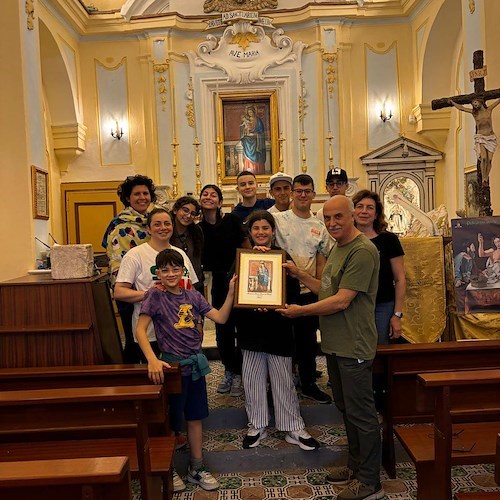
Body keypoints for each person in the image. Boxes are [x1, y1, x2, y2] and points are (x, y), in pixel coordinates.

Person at [277, 195, 383, 500]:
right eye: (328, 219)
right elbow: (326, 289)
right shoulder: (338, 247)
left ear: (353, 216)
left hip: (355, 346)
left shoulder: (363, 250)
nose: (333, 223)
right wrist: (300, 275)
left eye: (338, 217)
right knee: (346, 409)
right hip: (336, 345)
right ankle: (356, 466)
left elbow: (341, 300)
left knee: (362, 414)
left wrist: (300, 312)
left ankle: (370, 481)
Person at [136, 248, 236, 492]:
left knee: (195, 417)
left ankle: (196, 466)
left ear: (183, 271)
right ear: (157, 273)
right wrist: (152, 359)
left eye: (175, 269)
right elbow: (140, 330)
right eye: (165, 270)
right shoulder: (154, 296)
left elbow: (221, 318)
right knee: (171, 422)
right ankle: (168, 467)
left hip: (195, 367)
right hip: (171, 368)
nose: (170, 274)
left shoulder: (193, 296)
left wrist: (232, 292)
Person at [235, 211, 320, 451]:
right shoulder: (241, 258)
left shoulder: (283, 257)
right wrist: (253, 302)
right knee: (252, 379)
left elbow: (292, 292)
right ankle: (257, 424)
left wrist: (276, 304)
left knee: (283, 379)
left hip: (278, 327)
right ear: (250, 232)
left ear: (273, 231)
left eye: (265, 228)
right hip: (250, 327)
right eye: (256, 228)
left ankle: (293, 426)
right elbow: (236, 292)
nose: (261, 232)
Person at [273, 174, 334, 404]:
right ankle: (281, 387)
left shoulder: (319, 226)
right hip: (281, 291)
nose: (302, 195)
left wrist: (319, 287)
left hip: (307, 291)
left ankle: (308, 384)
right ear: (292, 193)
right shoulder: (278, 219)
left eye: (307, 191)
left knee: (307, 342)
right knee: (282, 342)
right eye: (298, 191)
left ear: (313, 194)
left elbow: (324, 258)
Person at [114, 208, 199, 361]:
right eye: (157, 224)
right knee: (155, 379)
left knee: (181, 379)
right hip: (150, 333)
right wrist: (151, 294)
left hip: (181, 331)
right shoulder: (135, 255)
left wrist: (197, 324)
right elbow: (119, 292)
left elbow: (191, 289)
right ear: (149, 229)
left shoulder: (181, 254)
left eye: (167, 223)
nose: (163, 228)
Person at [199, 184, 250, 396]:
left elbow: (245, 245)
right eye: (205, 194)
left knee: (244, 326)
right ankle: (230, 370)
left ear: (220, 202)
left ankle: (244, 372)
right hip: (219, 282)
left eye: (213, 195)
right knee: (223, 328)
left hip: (239, 277)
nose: (208, 197)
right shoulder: (198, 228)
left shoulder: (232, 220)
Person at [102, 174, 156, 363]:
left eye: (146, 193)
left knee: (151, 340)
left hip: (151, 288)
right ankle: (134, 384)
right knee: (134, 341)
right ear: (127, 198)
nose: (142, 197)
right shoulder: (119, 225)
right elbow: (118, 261)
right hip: (130, 293)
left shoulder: (151, 221)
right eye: (137, 194)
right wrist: (131, 291)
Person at [449, 97, 500, 184]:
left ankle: (486, 176)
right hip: (481, 137)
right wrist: (453, 102)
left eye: (475, 103)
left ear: (480, 102)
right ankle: (484, 178)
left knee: (490, 160)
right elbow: (462, 108)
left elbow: (497, 102)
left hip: (491, 137)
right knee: (484, 158)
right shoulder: (474, 113)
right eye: (473, 104)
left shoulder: (489, 110)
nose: (474, 105)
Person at [170, 196, 205, 294]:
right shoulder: (167, 230)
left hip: (195, 284)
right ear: (175, 210)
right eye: (185, 210)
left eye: (193, 213)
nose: (188, 215)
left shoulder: (197, 232)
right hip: (174, 285)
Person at [240, 105, 266, 174]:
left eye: (251, 112)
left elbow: (262, 132)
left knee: (257, 156)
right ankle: (248, 169)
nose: (250, 114)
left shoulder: (258, 121)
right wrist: (244, 133)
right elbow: (242, 129)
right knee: (247, 154)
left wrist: (255, 135)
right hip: (248, 142)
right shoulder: (246, 121)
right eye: (249, 113)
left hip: (256, 141)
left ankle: (258, 170)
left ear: (254, 112)